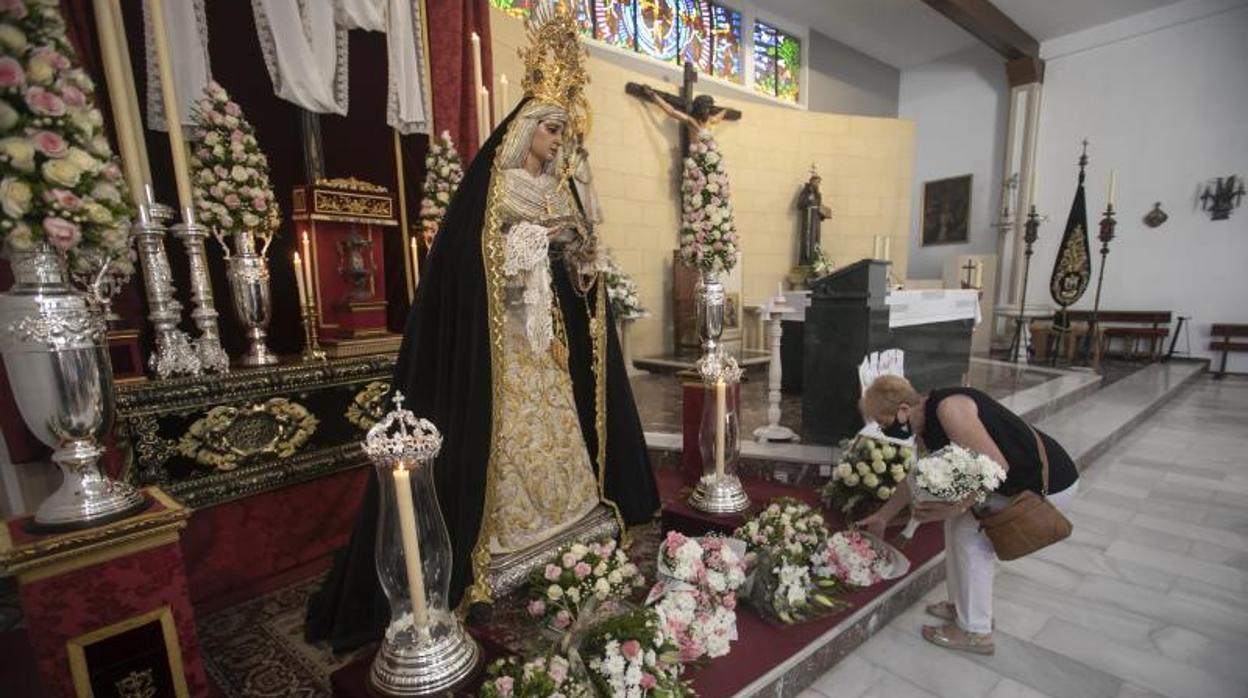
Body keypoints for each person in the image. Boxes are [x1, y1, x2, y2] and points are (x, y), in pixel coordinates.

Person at [305, 4, 659, 652]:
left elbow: (577, 279)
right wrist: (529, 244)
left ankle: (573, 522)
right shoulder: (497, 190)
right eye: (549, 133)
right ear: (525, 130)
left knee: (561, 437)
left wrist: (583, 265)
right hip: (510, 348)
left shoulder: (559, 193)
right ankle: (504, 545)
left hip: (546, 345)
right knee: (510, 443)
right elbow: (479, 265)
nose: (555, 145)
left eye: (559, 134)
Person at [857, 375, 1079, 655]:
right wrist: (883, 516)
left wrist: (955, 506)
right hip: (1014, 480)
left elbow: (996, 467)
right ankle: (962, 608)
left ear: (902, 410)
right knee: (956, 527)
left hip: (1043, 483)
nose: (886, 431)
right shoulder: (925, 423)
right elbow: (918, 475)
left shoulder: (949, 409)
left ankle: (976, 631)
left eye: (885, 423)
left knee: (967, 534)